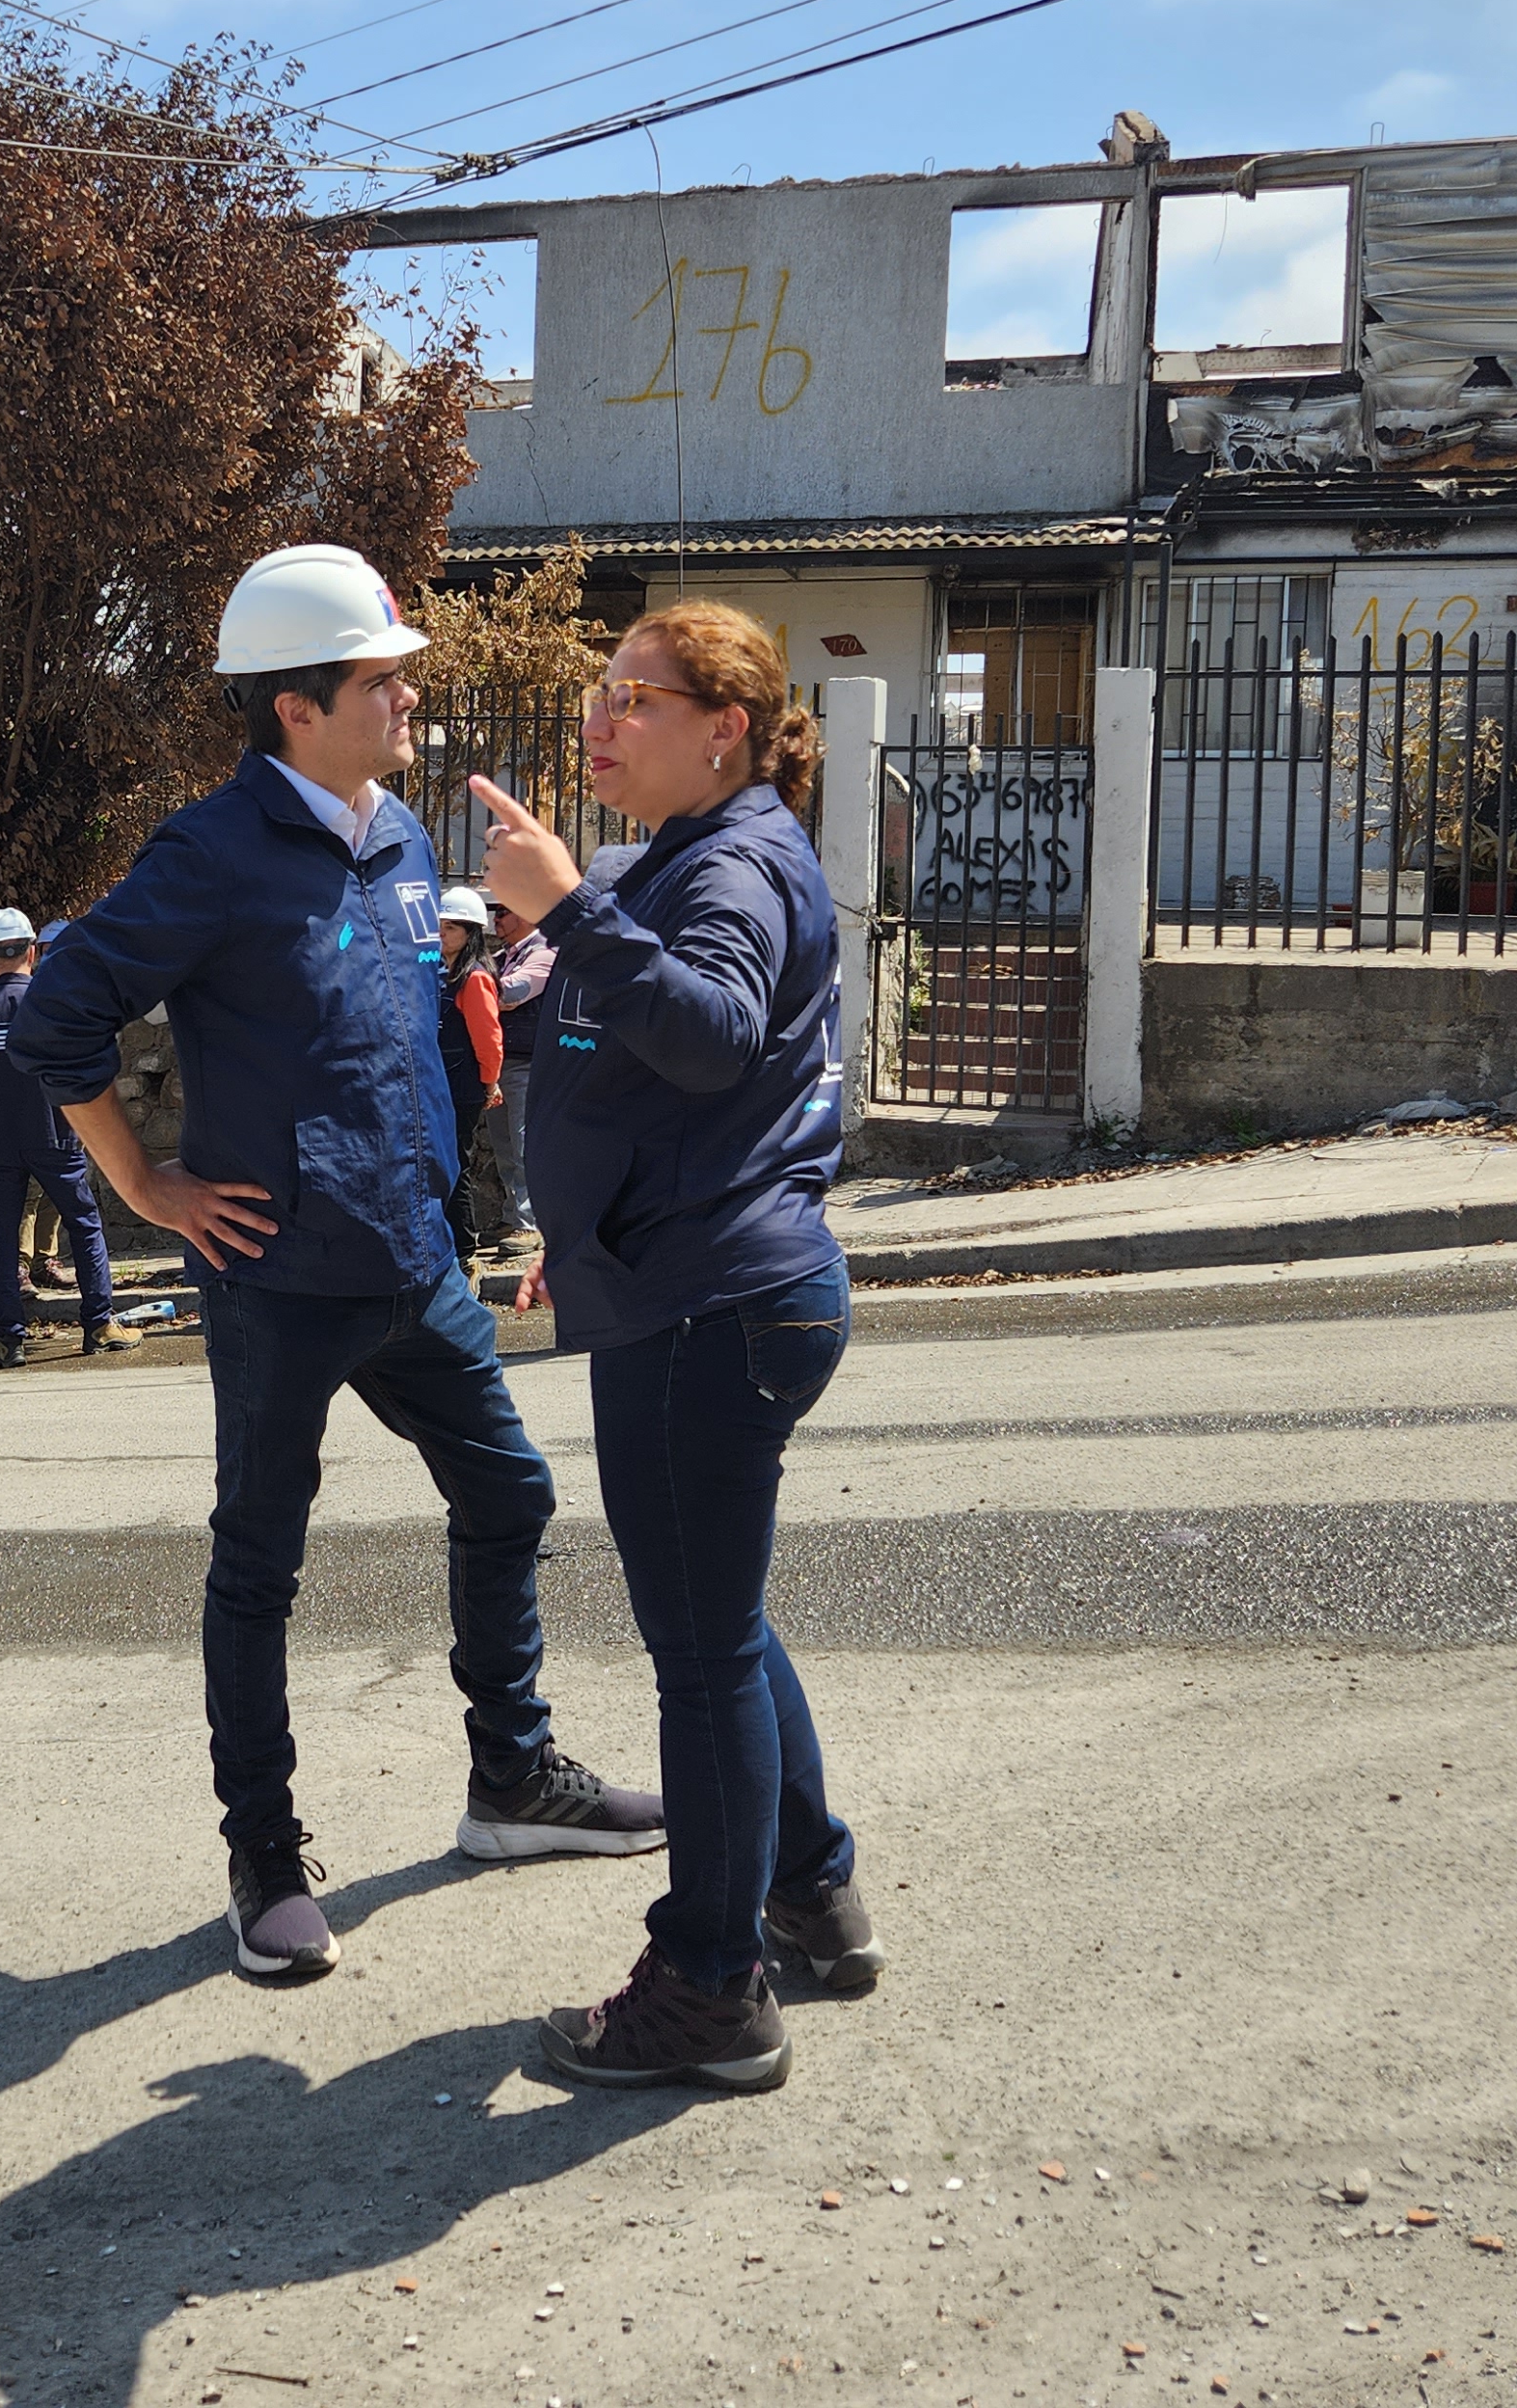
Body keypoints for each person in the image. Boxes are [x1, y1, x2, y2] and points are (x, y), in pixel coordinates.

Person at [15, 542, 665, 1984]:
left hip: (415, 1262)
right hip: (278, 1280)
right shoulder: (211, 851)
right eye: (384, 679)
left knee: (510, 1491)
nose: (411, 697)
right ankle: (263, 1855)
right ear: (296, 706)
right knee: (260, 1561)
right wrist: (147, 1183)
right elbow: (53, 1020)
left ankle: (511, 1781)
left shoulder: (393, 837)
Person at [467, 604, 870, 2098]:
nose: (604, 714)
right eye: (602, 689)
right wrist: (576, 1239)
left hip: (712, 1311)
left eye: (639, 693)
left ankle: (711, 1986)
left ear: (726, 729)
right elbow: (651, 1091)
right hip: (678, 1287)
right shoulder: (687, 861)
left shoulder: (742, 863)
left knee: (699, 1657)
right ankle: (809, 1887)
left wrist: (570, 907)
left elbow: (705, 1034)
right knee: (727, 1627)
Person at [0, 907, 123, 1367]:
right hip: (55, 1135)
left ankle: (9, 1339)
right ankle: (98, 1324)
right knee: (84, 1223)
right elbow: (84, 1069)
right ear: (32, 951)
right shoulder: (56, 1002)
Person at [434, 885, 505, 1258]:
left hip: (461, 1085)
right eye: (440, 926)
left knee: (455, 1165)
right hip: (441, 1081)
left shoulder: (474, 977)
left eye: (450, 927)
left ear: (471, 932)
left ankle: (464, 1251)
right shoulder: (438, 970)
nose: (441, 933)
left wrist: (489, 1082)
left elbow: (488, 1038)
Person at [488, 921, 554, 1245]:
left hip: (527, 1065)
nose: (496, 918)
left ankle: (530, 1224)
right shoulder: (501, 956)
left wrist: (478, 992)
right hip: (500, 1065)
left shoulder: (543, 953)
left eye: (504, 911)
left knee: (524, 1145)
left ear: (525, 917)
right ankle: (513, 1218)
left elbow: (509, 993)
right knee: (505, 1146)